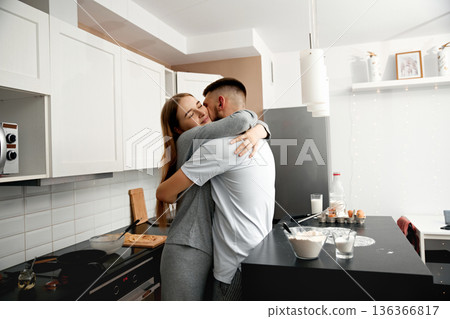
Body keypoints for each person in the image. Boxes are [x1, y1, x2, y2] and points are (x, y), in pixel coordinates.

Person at [157, 78, 275, 300]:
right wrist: (259, 129)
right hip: (188, 244)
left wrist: (259, 130)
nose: (201, 113)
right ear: (178, 129)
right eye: (191, 114)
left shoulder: (224, 144)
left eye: (201, 105)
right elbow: (241, 120)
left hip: (214, 249)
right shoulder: (191, 140)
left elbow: (243, 123)